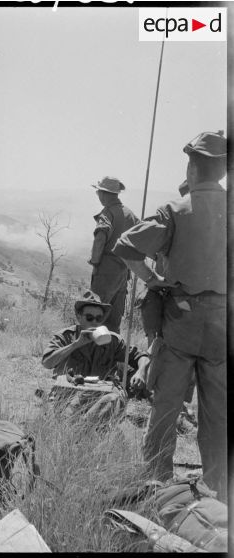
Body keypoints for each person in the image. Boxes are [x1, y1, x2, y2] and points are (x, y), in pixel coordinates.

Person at [113, 130, 227, 502]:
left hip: (180, 322)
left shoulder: (174, 211)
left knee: (166, 410)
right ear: (222, 171)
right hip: (223, 329)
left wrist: (154, 279)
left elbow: (126, 246)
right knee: (217, 417)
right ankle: (218, 496)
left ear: (192, 169)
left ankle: (158, 489)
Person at [41, 290, 150, 423]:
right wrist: (75, 345)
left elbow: (140, 356)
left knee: (115, 400)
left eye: (99, 318)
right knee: (65, 418)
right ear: (79, 316)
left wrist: (141, 371)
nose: (94, 322)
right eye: (89, 318)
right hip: (69, 394)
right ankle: (80, 429)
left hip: (99, 396)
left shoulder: (112, 340)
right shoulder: (66, 336)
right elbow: (47, 362)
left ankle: (83, 429)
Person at [88, 177, 140, 334]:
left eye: (98, 192)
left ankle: (90, 354)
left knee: (94, 315)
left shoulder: (108, 213)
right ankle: (111, 355)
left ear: (104, 194)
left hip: (106, 271)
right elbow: (142, 238)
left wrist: (95, 263)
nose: (98, 195)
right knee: (114, 320)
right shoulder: (130, 214)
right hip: (124, 272)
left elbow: (100, 238)